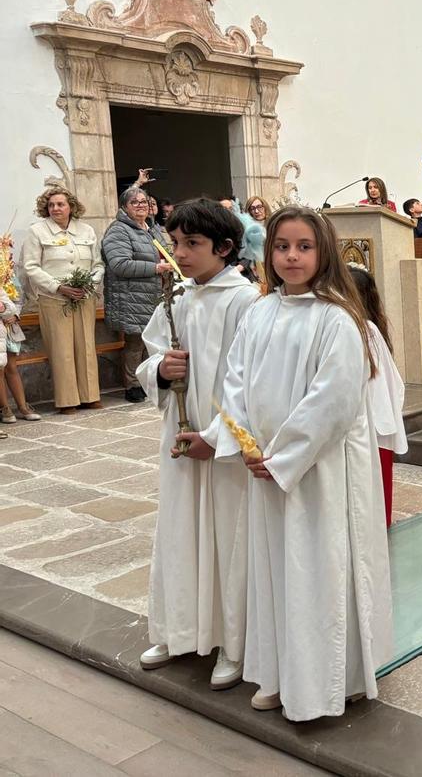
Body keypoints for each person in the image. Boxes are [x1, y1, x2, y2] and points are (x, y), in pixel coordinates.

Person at [215, 206, 393, 721]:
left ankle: (331, 679)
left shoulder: (337, 318)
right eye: (282, 247)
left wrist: (285, 455)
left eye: (304, 247)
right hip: (266, 465)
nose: (292, 256)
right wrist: (246, 444)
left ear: (325, 253)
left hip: (320, 468)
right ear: (267, 253)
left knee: (320, 567)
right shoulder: (259, 312)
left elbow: (333, 401)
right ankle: (279, 671)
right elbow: (236, 379)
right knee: (277, 570)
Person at [135, 200, 260, 691]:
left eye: (192, 244)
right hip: (181, 437)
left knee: (228, 537)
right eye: (176, 242)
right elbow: (152, 357)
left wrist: (218, 438)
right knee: (181, 527)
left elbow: (249, 381)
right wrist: (161, 372)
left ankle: (234, 642)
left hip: (221, 443)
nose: (180, 253)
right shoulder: (179, 298)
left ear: (225, 248)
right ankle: (179, 629)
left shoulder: (244, 301)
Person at [21, 185, 105, 413]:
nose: (55, 208)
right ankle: (68, 400)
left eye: (60, 204)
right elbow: (31, 267)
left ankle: (90, 395)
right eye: (51, 205)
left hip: (83, 297)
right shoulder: (37, 231)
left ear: (71, 207)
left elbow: (97, 264)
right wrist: (59, 287)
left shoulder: (86, 230)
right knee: (61, 349)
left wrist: (89, 285)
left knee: (87, 346)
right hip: (53, 298)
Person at [348, 263, 408, 526]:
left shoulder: (365, 331)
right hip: (370, 424)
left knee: (370, 503)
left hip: (369, 426)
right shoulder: (364, 327)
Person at [101, 184, 171, 403]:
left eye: (144, 202)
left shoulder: (152, 227)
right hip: (131, 296)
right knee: (135, 343)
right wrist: (155, 268)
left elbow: (166, 254)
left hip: (154, 294)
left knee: (154, 340)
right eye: (135, 202)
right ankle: (132, 385)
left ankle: (151, 381)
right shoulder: (118, 230)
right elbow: (119, 264)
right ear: (124, 207)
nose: (141, 206)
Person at [0, 291, 41, 426]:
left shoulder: (8, 272)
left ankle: (23, 406)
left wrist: (15, 315)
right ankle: (5, 409)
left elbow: (19, 297)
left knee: (11, 367)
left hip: (9, 327)